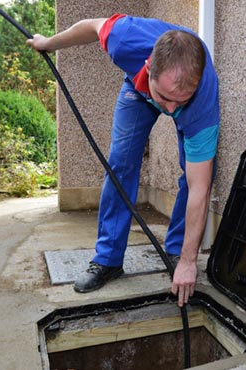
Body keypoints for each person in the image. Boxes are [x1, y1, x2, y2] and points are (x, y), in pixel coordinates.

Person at [27, 14, 219, 307]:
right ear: (147, 66)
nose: (169, 109)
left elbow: (199, 189)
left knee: (193, 176)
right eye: (165, 97)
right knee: (120, 166)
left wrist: (191, 261)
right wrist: (48, 44)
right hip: (137, 92)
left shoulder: (201, 102)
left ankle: (179, 253)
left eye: (178, 101)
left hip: (190, 107)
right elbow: (90, 26)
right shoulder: (124, 38)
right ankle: (108, 259)